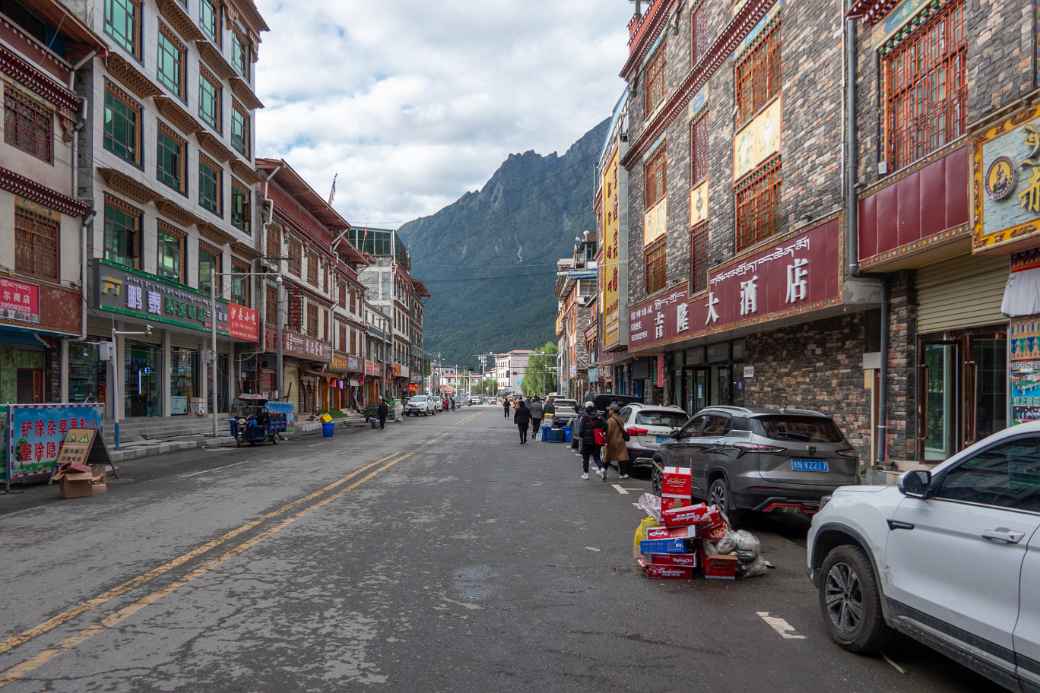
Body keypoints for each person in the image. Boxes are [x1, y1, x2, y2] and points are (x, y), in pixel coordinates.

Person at [577, 404, 606, 480]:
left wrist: (583, 436)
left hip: (586, 442)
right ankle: (601, 468)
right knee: (596, 457)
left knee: (585, 458)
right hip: (597, 440)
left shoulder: (584, 418)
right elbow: (606, 426)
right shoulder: (599, 417)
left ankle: (586, 474)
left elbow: (581, 431)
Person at [604, 403, 631, 479]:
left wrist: (606, 441)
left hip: (612, 441)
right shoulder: (620, 419)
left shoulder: (610, 420)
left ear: (612, 411)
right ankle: (623, 473)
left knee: (607, 457)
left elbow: (608, 432)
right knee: (622, 457)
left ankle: (603, 470)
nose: (608, 411)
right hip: (620, 441)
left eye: (609, 410)